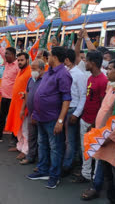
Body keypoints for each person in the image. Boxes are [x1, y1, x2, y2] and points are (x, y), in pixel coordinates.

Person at [80, 59, 115, 202]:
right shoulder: (111, 86)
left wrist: (106, 137)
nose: (107, 72)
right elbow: (105, 109)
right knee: (108, 176)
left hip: (112, 142)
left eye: (110, 69)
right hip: (103, 137)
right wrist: (98, 130)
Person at [27, 46, 72, 189]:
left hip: (53, 118)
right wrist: (35, 113)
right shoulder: (48, 72)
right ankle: (42, 170)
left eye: (50, 55)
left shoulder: (63, 74)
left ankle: (54, 176)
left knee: (55, 148)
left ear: (56, 57)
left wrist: (60, 120)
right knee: (42, 144)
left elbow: (66, 99)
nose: (47, 57)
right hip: (40, 116)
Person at [72, 50, 108, 183]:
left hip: (95, 123)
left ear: (92, 63)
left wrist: (93, 123)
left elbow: (103, 106)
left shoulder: (103, 80)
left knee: (96, 152)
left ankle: (95, 179)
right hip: (85, 119)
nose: (85, 63)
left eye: (86, 61)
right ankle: (85, 174)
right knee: (85, 148)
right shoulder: (90, 78)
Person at [0, 32, 19, 143]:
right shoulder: (7, 63)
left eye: (8, 54)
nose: (5, 56)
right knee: (2, 116)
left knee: (14, 118)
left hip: (14, 98)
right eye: (5, 54)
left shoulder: (18, 65)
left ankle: (15, 138)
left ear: (14, 55)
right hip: (5, 96)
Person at [62, 49, 87, 176]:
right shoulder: (65, 72)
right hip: (63, 109)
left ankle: (68, 165)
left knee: (70, 140)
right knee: (65, 139)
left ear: (67, 60)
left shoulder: (79, 74)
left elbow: (83, 96)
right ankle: (67, 162)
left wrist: (76, 113)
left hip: (72, 109)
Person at [4, 52, 31, 158]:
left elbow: (28, 91)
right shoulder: (20, 71)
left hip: (24, 106)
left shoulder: (29, 72)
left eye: (22, 60)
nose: (19, 62)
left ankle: (25, 151)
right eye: (18, 60)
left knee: (25, 129)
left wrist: (23, 107)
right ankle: (19, 146)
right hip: (16, 105)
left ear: (27, 60)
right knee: (18, 128)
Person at [19, 59, 45, 165]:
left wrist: (37, 113)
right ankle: (30, 157)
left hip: (41, 114)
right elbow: (27, 94)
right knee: (32, 136)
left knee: (41, 140)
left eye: (34, 69)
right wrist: (22, 109)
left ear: (42, 69)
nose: (32, 71)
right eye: (31, 68)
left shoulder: (45, 80)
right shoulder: (31, 79)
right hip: (30, 113)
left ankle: (41, 163)